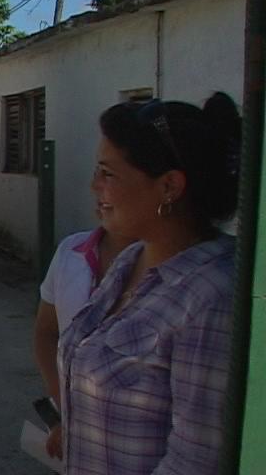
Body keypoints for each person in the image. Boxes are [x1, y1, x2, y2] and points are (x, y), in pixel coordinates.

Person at [59, 93, 241, 474]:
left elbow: (195, 462)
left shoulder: (211, 297)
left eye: (108, 173)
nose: (94, 186)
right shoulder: (132, 259)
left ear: (169, 186)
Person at [34, 218, 134, 459]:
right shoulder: (70, 251)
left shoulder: (173, 273)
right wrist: (66, 409)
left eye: (111, 177)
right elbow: (46, 332)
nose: (100, 196)